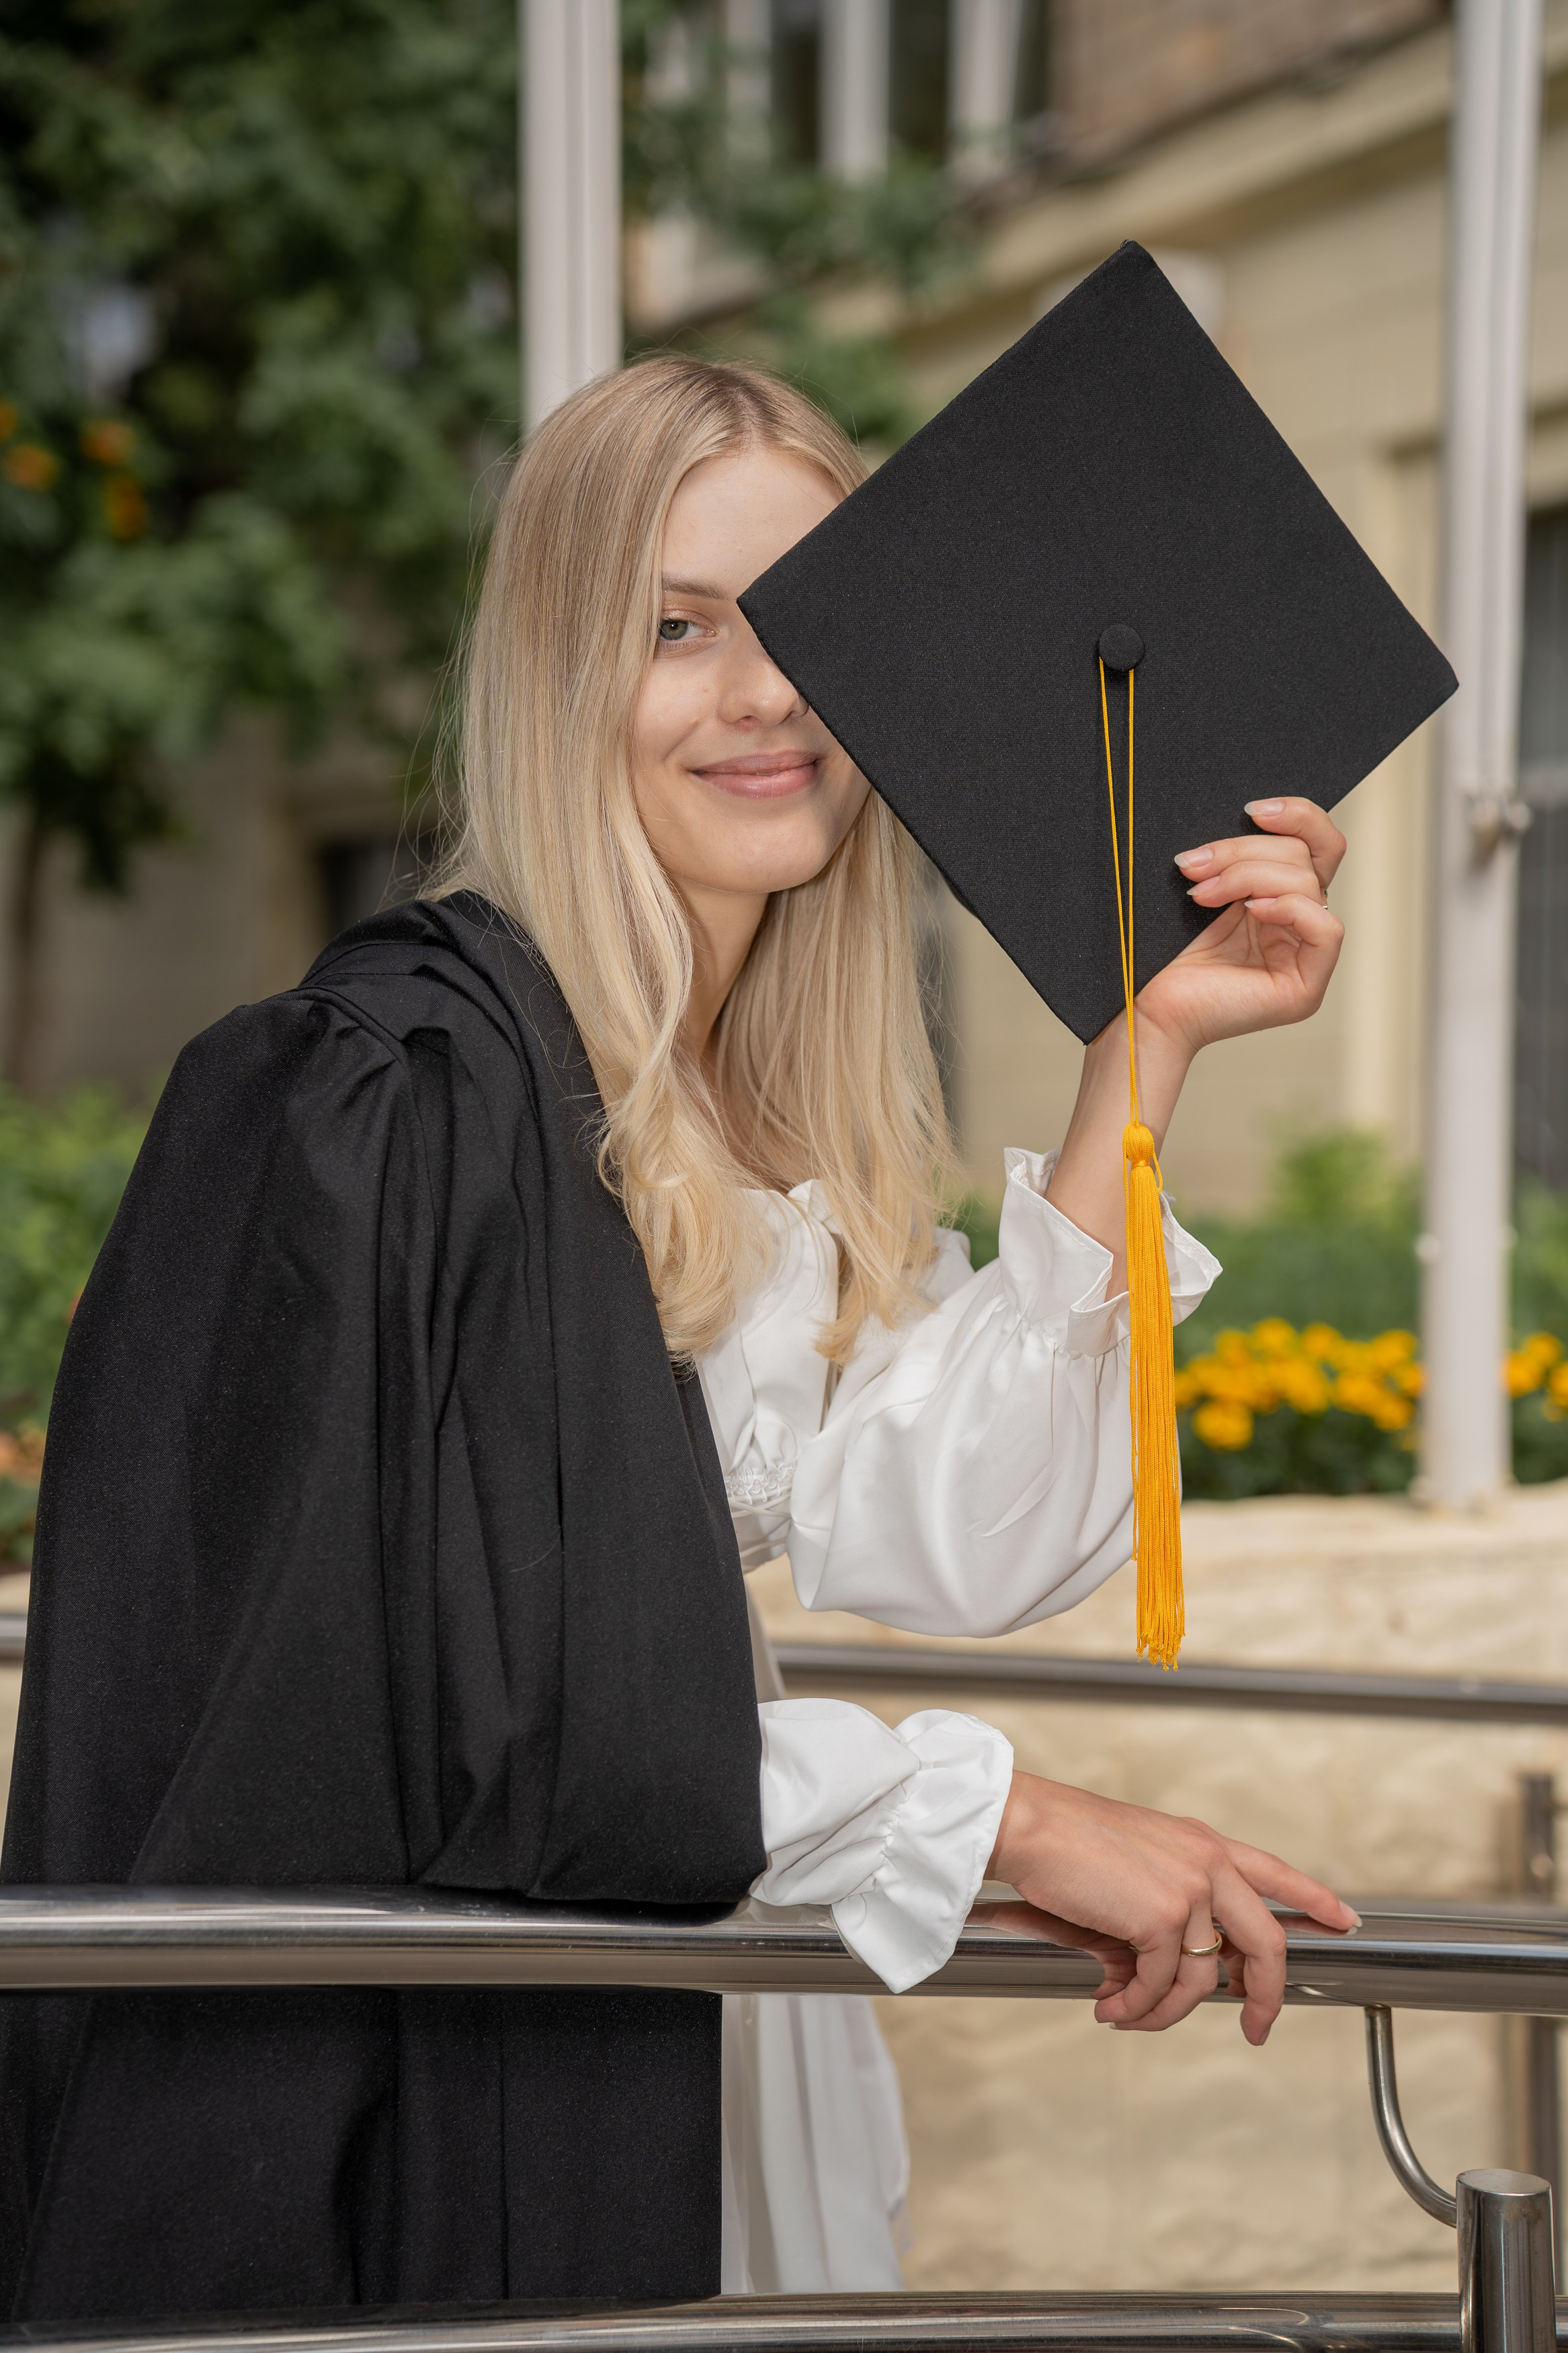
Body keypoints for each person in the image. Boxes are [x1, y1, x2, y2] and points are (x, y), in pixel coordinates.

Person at [0, 358, 1356, 2321]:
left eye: (809, 630)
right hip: (437, 2060)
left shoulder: (748, 1129)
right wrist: (1001, 1817)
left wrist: (1140, 1051)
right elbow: (463, 1707)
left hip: (703, 1999)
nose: (767, 696)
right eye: (675, 630)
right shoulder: (381, 1090)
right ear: (558, 672)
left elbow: (962, 1542)